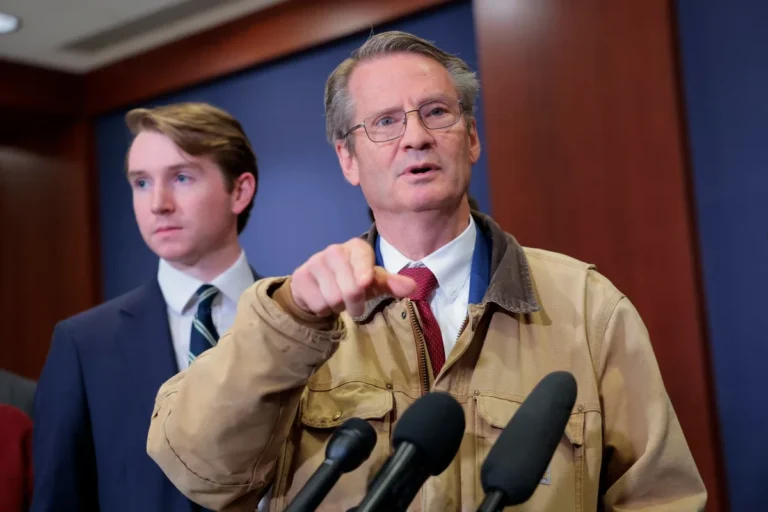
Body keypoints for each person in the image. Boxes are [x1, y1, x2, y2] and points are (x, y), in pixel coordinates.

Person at [147, 33, 706, 511]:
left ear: (472, 138)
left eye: (437, 112)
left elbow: (661, 499)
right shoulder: (296, 317)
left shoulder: (588, 307)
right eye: (386, 122)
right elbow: (203, 473)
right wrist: (292, 321)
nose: (416, 136)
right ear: (347, 159)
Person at [32, 103, 262, 512]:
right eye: (141, 183)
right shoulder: (84, 344)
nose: (158, 203)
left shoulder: (304, 322)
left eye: (182, 177)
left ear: (239, 191)